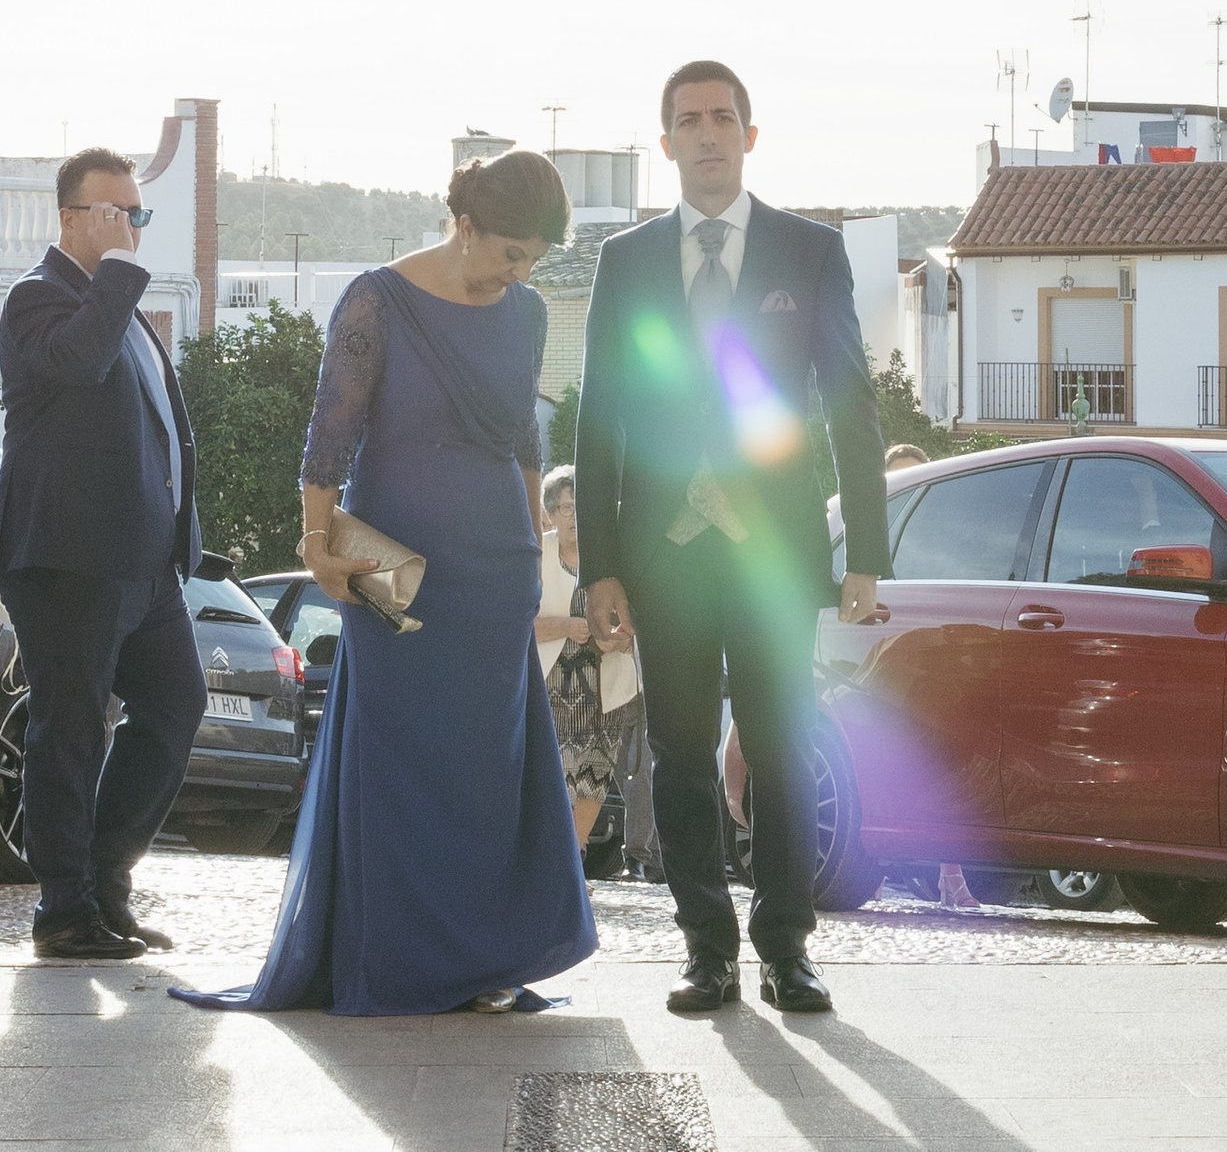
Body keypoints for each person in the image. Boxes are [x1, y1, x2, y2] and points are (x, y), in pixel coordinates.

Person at [182, 146, 595, 1015]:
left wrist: (531, 546)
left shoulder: (525, 312)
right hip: (392, 569)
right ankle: (401, 959)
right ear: (467, 222)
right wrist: (316, 542)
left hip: (493, 570)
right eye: (510, 252)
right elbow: (328, 436)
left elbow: (525, 437)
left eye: (534, 260)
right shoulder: (376, 298)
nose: (519, 274)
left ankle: (482, 960)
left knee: (487, 769)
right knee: (402, 761)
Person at [578, 60, 889, 1019]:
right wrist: (600, 567)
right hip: (660, 555)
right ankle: (705, 950)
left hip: (773, 554)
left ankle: (788, 949)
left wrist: (866, 550)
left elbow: (848, 402)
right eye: (688, 120)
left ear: (750, 137)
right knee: (676, 753)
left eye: (723, 118)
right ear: (664, 142)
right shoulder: (625, 261)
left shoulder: (809, 252)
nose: (707, 134)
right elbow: (598, 423)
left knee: (780, 747)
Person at [0, 144, 207, 963]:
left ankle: (107, 883)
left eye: (137, 212)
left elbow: (156, 427)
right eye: (115, 211)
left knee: (175, 705)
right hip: (67, 557)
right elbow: (77, 366)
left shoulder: (122, 305)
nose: (130, 226)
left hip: (145, 564)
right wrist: (117, 270)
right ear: (70, 216)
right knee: (71, 726)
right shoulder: (36, 300)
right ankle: (63, 909)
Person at [538, 467, 635, 852]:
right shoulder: (537, 555)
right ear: (549, 513)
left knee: (595, 773)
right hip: (550, 684)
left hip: (603, 685)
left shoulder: (613, 558)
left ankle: (573, 860)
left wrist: (620, 641)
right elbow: (514, 623)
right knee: (555, 775)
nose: (573, 517)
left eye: (580, 508)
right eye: (565, 508)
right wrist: (566, 625)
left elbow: (636, 621)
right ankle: (554, 861)